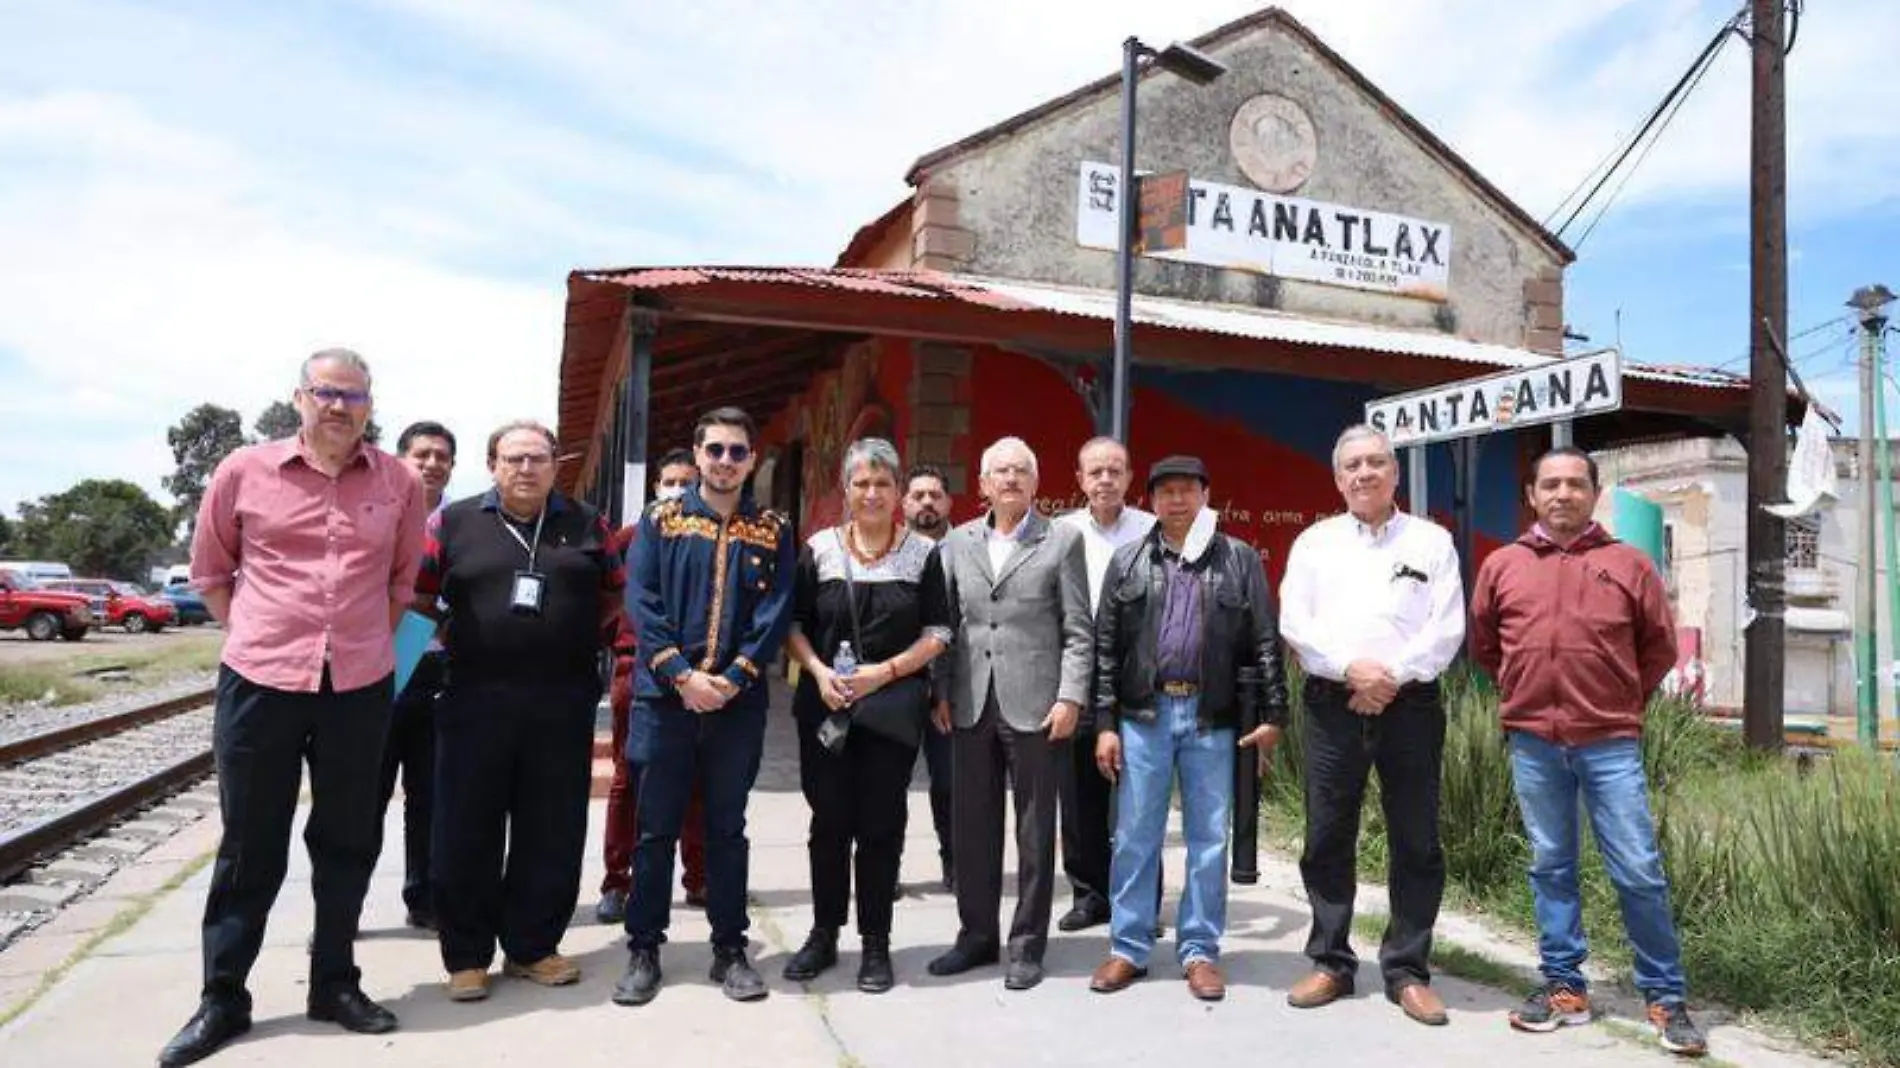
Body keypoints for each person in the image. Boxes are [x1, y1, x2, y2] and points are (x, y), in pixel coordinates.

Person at [162, 349, 425, 1066]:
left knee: (347, 839)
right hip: (261, 680)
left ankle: (334, 983)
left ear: (370, 405)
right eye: (326, 393)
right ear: (299, 399)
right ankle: (224, 998)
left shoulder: (399, 481)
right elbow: (212, 573)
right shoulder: (244, 470)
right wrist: (259, 633)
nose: (339, 406)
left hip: (360, 684)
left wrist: (360, 642)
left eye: (354, 395)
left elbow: (402, 585)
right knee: (251, 844)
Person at [1469, 446, 1708, 1057]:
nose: (1563, 494)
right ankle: (1564, 986)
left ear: (1594, 493)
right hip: (1533, 742)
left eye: (1576, 483)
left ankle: (1665, 995)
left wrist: (1620, 698)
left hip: (1609, 741)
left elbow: (1658, 650)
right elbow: (1487, 644)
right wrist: (1527, 693)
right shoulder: (1503, 565)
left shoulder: (1629, 564)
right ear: (1532, 495)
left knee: (1638, 868)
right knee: (1551, 865)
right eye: (1551, 484)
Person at [414, 420, 623, 1002]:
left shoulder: (588, 525)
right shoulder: (452, 524)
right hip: (474, 700)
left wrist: (575, 634)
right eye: (514, 459)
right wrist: (395, 678)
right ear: (492, 464)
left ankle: (533, 948)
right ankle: (467, 956)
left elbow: (614, 591)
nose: (526, 468)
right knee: (466, 828)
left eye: (538, 458)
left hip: (562, 700)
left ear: (557, 464)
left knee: (551, 828)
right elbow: (420, 599)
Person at [1279, 424, 1465, 1027]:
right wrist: (1350, 672)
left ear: (1395, 473)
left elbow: (1447, 629)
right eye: (1352, 465)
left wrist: (1390, 677)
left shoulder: (1433, 541)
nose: (1364, 473)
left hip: (1410, 706)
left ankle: (1408, 969)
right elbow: (1296, 625)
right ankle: (1331, 960)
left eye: (1376, 463)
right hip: (1334, 704)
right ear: (1337, 478)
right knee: (1328, 834)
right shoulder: (1314, 543)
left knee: (1417, 839)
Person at [614, 406, 797, 1007]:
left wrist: (734, 679)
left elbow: (774, 616)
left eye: (737, 451)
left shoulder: (772, 528)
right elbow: (642, 600)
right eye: (714, 449)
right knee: (655, 828)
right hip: (664, 701)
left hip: (736, 706)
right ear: (696, 455)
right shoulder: (661, 520)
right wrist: (682, 676)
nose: (724, 461)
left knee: (727, 828)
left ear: (751, 460)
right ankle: (644, 948)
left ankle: (730, 949)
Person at [1087, 455, 1287, 1001]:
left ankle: (1199, 950)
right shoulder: (1128, 561)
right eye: (1166, 491)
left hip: (1211, 719)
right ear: (1150, 501)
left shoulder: (1239, 560)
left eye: (1187, 490)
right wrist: (1104, 723)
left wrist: (1274, 717)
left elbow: (1264, 640)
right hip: (1143, 717)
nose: (1177, 500)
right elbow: (1106, 648)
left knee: (1207, 840)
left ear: (1205, 495)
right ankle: (1128, 948)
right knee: (1134, 836)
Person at [781, 439, 952, 992]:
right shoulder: (820, 549)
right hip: (826, 706)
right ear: (846, 491)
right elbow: (792, 625)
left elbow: (940, 631)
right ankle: (824, 933)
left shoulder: (924, 556)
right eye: (862, 484)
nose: (873, 493)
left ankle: (875, 942)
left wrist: (886, 672)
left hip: (891, 709)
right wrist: (819, 672)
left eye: (883, 484)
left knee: (881, 826)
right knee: (828, 823)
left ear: (898, 492)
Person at [925, 436, 1092, 991]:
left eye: (1022, 470)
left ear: (1036, 483)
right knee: (972, 826)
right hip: (971, 702)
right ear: (983, 484)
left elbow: (1078, 630)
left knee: (1035, 829)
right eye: (1000, 471)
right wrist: (942, 690)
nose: (1011, 478)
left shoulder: (1061, 540)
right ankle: (976, 936)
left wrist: (1070, 697)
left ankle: (1026, 944)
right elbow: (945, 626)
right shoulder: (956, 543)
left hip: (1038, 705)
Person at [596, 447, 708, 926]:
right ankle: (617, 882)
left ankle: (699, 877)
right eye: (670, 482)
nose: (678, 491)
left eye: (688, 482)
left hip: (700, 677)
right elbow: (602, 600)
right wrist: (622, 647)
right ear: (655, 488)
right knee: (629, 779)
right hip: (637, 672)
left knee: (698, 780)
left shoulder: (713, 538)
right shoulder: (628, 539)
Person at [1052, 436, 1155, 932]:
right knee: (1078, 793)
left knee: (1140, 794)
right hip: (1078, 667)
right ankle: (1089, 894)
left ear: (1130, 477)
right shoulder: (1060, 532)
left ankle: (1142, 901)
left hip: (1138, 671)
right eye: (1095, 472)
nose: (1106, 480)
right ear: (1080, 480)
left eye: (1115, 470)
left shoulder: (1153, 531)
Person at [372, 419, 457, 932]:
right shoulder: (376, 514)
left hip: (442, 667)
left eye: (442, 456)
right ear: (400, 458)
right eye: (421, 454)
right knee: (364, 795)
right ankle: (343, 904)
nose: (431, 463)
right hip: (382, 666)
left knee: (430, 795)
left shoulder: (462, 522)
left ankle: (423, 897)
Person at [901, 462, 954, 888]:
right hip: (897, 686)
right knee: (888, 783)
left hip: (950, 692)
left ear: (948, 502)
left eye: (934, 495)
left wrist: (946, 689)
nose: (926, 503)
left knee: (950, 785)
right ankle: (888, 867)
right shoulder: (889, 549)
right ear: (905, 503)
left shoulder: (968, 549)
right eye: (918, 496)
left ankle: (955, 864)